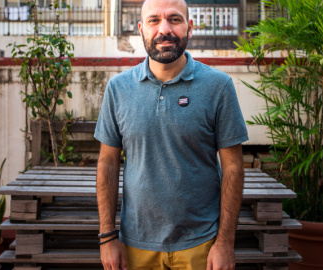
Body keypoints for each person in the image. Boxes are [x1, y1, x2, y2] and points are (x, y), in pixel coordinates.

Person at [94, 0, 248, 269]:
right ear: (141, 29)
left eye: (174, 20)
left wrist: (225, 242)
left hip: (202, 243)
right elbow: (107, 163)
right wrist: (107, 237)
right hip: (136, 244)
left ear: (190, 28)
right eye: (154, 20)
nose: (164, 29)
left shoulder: (218, 86)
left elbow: (233, 166)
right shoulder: (118, 88)